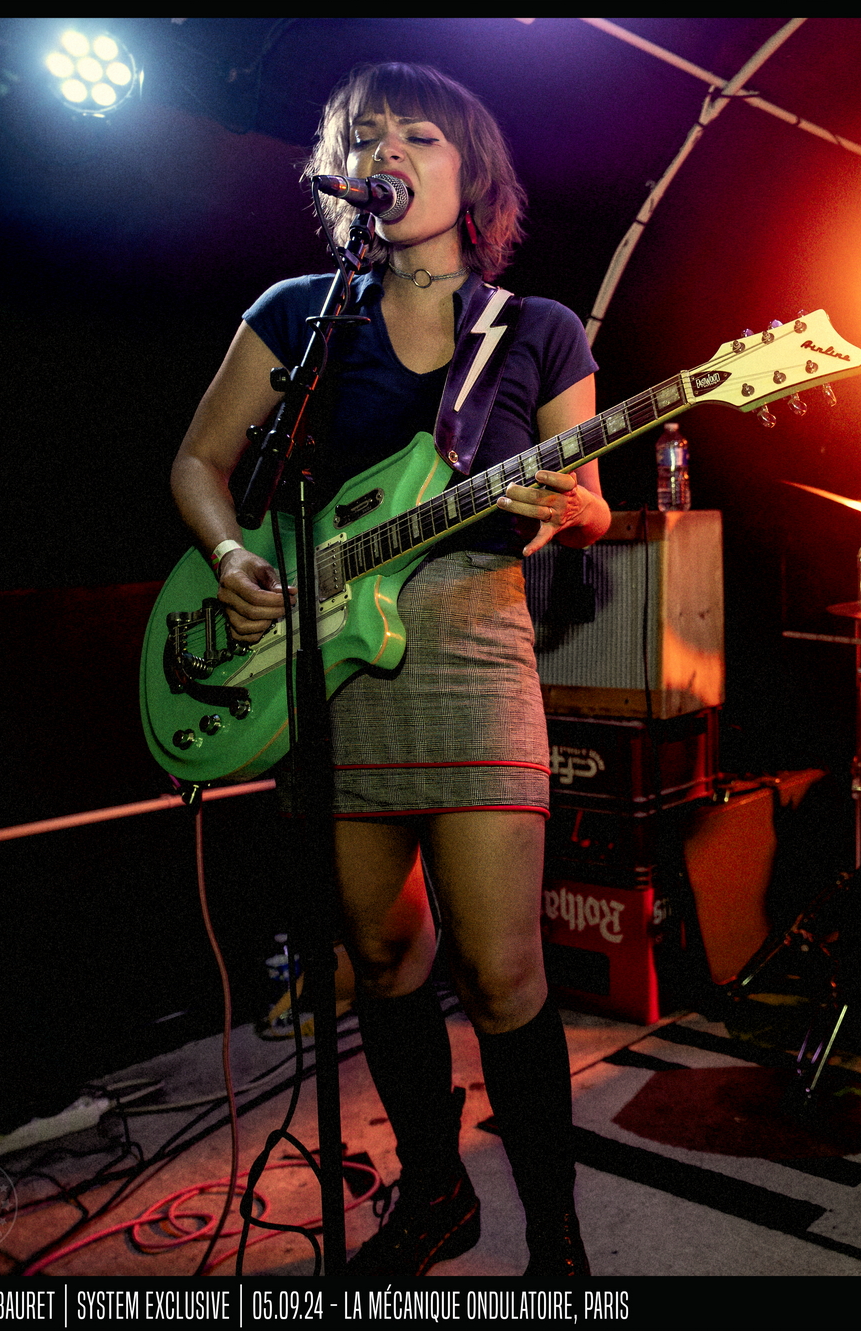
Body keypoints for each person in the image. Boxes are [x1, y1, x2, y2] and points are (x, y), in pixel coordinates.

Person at [169, 63, 608, 1278]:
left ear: (473, 170)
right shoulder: (298, 315)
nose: (392, 151)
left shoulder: (538, 328)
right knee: (380, 955)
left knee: (502, 963)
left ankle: (557, 1237)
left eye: (422, 134)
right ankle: (434, 1192)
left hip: (472, 649)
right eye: (368, 136)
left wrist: (571, 506)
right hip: (329, 667)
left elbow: (592, 499)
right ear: (341, 172)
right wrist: (228, 554)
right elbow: (199, 461)